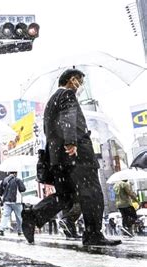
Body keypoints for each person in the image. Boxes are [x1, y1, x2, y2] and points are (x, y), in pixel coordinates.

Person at [22, 69, 121, 246]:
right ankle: (93, 234)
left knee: (65, 195)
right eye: (80, 82)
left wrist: (61, 148)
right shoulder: (67, 94)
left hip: (58, 158)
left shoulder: (51, 101)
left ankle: (33, 215)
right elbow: (68, 116)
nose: (80, 86)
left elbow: (48, 131)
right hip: (77, 155)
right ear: (72, 80)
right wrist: (71, 141)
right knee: (92, 192)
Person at [0, 171, 26, 236]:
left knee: (5, 215)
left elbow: (0, 191)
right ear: (15, 173)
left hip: (6, 201)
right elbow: (23, 189)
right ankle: (20, 231)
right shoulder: (17, 180)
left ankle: (2, 229)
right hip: (16, 201)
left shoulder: (4, 180)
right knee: (19, 216)